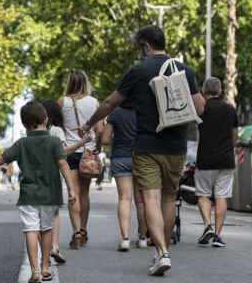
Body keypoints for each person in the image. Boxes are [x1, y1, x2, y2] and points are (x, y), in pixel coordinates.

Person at [79, 25, 205, 276]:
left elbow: (109, 103)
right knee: (169, 199)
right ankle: (162, 251)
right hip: (176, 146)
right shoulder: (183, 69)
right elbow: (200, 108)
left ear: (146, 45)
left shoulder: (137, 71)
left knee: (151, 199)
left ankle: (162, 253)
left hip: (147, 145)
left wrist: (89, 123)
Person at [0, 101, 78, 283]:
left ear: (25, 124)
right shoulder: (54, 142)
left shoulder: (22, 144)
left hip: (28, 196)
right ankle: (45, 267)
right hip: (51, 195)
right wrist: (72, 189)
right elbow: (64, 165)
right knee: (47, 229)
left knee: (31, 230)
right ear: (46, 119)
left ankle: (34, 272)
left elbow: (0, 159)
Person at [41, 99, 90, 263]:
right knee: (54, 214)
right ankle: (54, 247)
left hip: (34, 178)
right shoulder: (56, 131)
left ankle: (41, 253)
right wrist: (82, 142)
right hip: (52, 177)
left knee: (37, 218)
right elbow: (63, 154)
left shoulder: (33, 132)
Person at [58, 70, 102, 249]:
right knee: (84, 194)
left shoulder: (62, 102)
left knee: (72, 193)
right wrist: (98, 147)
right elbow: (99, 129)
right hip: (88, 153)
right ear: (86, 83)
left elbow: (57, 128)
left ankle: (76, 231)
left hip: (69, 152)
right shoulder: (94, 102)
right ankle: (83, 230)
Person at [194, 77, 238, 248]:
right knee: (222, 196)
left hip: (205, 158)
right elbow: (235, 136)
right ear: (220, 91)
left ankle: (207, 226)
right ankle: (218, 235)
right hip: (225, 160)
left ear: (204, 91)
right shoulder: (230, 109)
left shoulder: (201, 109)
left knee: (203, 194)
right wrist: (228, 148)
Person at [100, 100, 149, 252]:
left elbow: (105, 140)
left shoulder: (115, 114)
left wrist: (118, 139)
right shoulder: (144, 112)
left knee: (124, 199)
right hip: (141, 157)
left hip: (121, 157)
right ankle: (142, 238)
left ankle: (125, 239)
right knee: (141, 202)